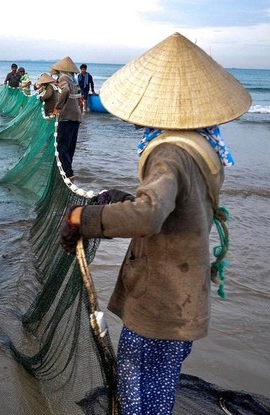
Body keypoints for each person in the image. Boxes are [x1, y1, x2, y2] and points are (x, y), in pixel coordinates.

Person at [59, 32, 251, 415]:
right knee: (159, 386)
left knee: (135, 385)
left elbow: (148, 216)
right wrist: (125, 199)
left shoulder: (168, 152)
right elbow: (178, 210)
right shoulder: (204, 146)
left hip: (161, 300)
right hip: (186, 297)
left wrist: (85, 216)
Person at [50, 56, 82, 180]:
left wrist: (58, 107)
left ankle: (67, 173)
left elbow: (65, 90)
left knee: (61, 145)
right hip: (76, 116)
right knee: (70, 146)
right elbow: (79, 96)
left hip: (66, 116)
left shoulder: (63, 78)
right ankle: (69, 171)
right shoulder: (73, 80)